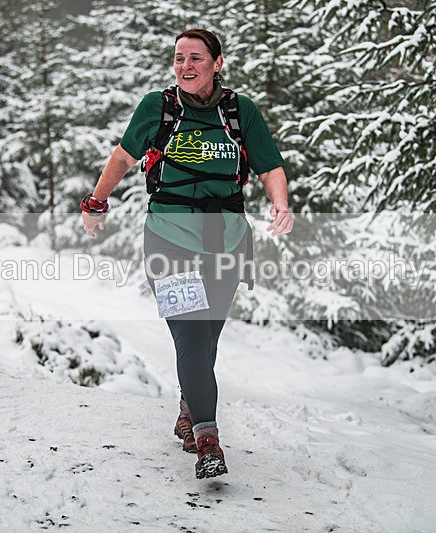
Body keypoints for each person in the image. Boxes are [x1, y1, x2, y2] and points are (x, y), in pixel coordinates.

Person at [80, 28, 293, 479]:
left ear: (217, 63)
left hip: (227, 240)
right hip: (168, 238)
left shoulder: (240, 111)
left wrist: (280, 201)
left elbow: (269, 165)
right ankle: (207, 439)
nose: (186, 65)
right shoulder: (158, 108)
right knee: (192, 335)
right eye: (179, 58)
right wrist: (96, 201)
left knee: (207, 337)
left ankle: (188, 404)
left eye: (196, 58)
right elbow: (122, 158)